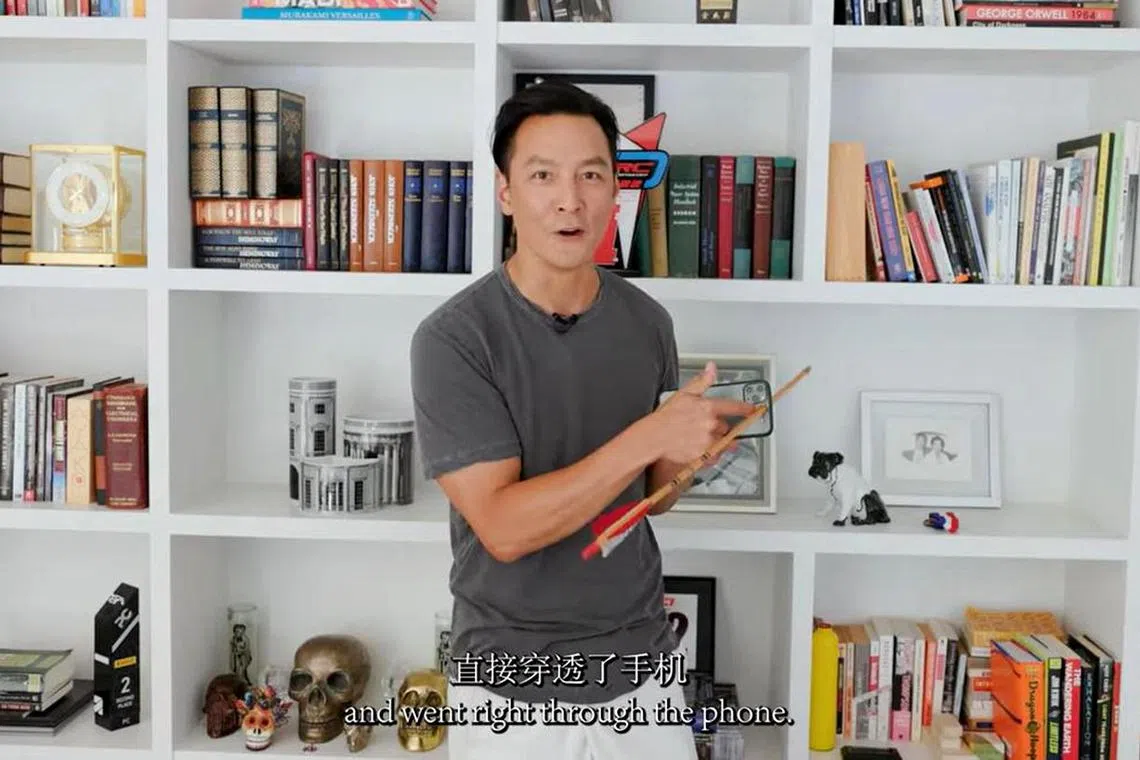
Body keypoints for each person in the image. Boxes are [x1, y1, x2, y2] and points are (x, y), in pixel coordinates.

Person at [409, 79, 755, 759]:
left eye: (591, 175)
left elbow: (650, 498)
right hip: (509, 684)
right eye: (543, 175)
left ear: (615, 190)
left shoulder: (647, 323)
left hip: (643, 666)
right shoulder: (454, 338)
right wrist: (647, 437)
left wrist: (686, 458)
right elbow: (504, 529)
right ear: (506, 192)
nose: (570, 199)